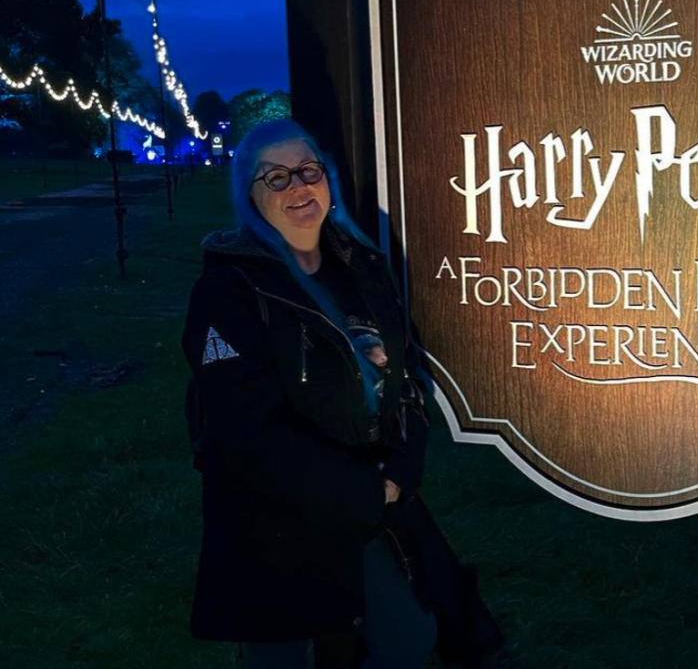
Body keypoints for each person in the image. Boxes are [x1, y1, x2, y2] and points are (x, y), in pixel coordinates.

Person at [182, 118, 502, 668]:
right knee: (286, 653)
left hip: (370, 494)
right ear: (251, 196)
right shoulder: (229, 291)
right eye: (276, 178)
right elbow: (244, 428)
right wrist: (366, 490)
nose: (298, 186)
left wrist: (400, 469)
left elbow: (405, 376)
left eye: (308, 170)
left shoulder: (362, 267)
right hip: (277, 515)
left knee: (409, 636)